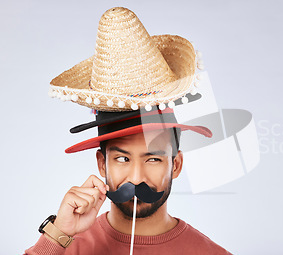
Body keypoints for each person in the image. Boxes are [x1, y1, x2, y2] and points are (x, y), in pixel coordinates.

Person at [25, 6, 231, 255]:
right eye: (122, 158)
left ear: (175, 165)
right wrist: (57, 235)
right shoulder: (62, 246)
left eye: (153, 158)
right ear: (102, 164)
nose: (136, 178)